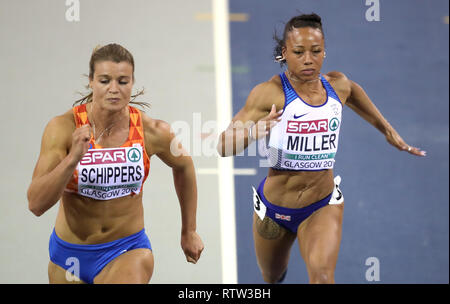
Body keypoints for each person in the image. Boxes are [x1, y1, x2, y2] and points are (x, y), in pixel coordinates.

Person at [217, 13, 425, 284]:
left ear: (324, 52)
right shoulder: (270, 93)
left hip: (322, 205)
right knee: (272, 276)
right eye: (299, 52)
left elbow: (356, 95)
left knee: (323, 277)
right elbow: (223, 146)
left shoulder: (337, 85)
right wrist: (253, 132)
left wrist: (389, 131)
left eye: (315, 51)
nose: (308, 59)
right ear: (284, 53)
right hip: (275, 210)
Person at [27, 43, 204, 284]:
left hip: (126, 250)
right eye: (104, 81)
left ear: (132, 83)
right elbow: (36, 204)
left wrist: (189, 230)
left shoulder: (152, 131)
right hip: (69, 255)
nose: (114, 89)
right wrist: (72, 159)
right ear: (91, 81)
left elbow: (183, 165)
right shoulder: (63, 128)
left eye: (122, 81)